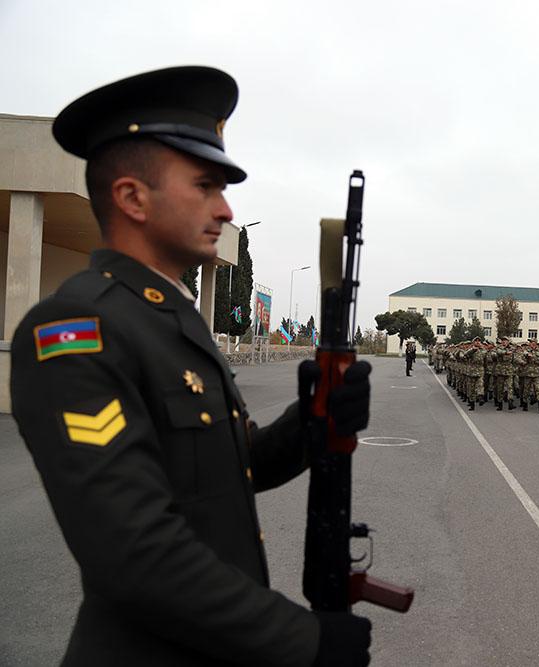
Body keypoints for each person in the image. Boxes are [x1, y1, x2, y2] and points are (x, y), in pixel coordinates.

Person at [10, 67, 372, 666]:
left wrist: (308, 423)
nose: (226, 209)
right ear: (131, 197)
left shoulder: (169, 321)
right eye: (205, 186)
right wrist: (303, 641)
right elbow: (134, 552)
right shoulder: (75, 331)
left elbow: (225, 470)